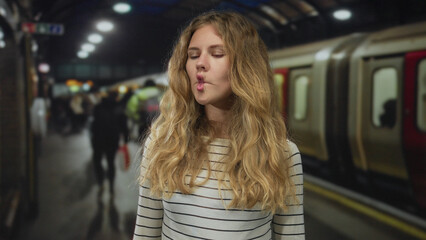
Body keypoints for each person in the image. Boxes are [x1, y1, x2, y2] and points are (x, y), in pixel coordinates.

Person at [133, 11, 305, 239]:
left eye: (217, 53)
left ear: (246, 67)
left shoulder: (281, 154)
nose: (200, 64)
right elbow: (146, 233)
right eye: (193, 56)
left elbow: (291, 235)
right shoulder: (164, 144)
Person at [90, 90, 128, 198]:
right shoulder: (118, 108)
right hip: (112, 139)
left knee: (97, 161)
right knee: (111, 162)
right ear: (116, 97)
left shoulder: (98, 107)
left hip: (98, 139)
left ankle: (101, 181)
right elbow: (123, 124)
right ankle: (111, 185)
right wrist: (125, 139)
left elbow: (93, 124)